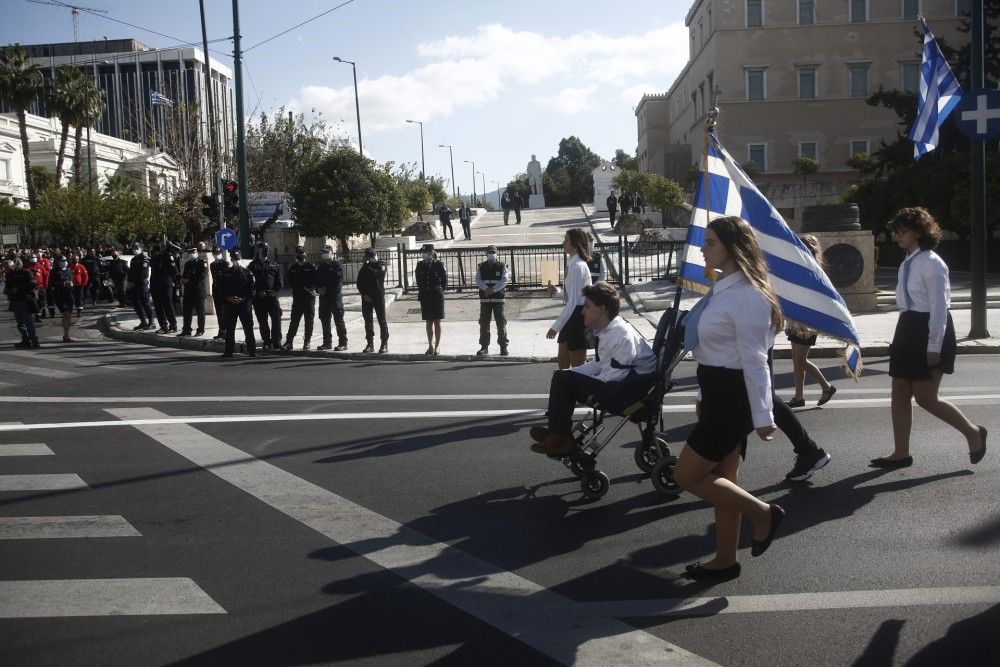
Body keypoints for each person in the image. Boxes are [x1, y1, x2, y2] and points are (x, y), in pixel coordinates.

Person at [671, 215, 785, 582]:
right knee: (724, 479)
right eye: (705, 242)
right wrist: (704, 393)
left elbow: (755, 359)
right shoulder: (724, 288)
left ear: (733, 248)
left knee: (685, 475)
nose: (703, 249)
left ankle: (763, 514)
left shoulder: (749, 296)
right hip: (717, 390)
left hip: (733, 397)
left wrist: (764, 415)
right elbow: (712, 350)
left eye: (711, 243)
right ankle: (724, 560)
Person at [872, 207, 987, 469]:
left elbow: (939, 307)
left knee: (925, 397)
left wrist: (934, 345)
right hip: (908, 327)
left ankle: (973, 432)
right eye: (897, 232)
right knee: (898, 390)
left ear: (920, 232)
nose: (898, 236)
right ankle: (900, 453)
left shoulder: (933, 263)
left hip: (929, 329)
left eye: (904, 232)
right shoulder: (908, 260)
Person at [529, 282, 655, 455]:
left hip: (625, 393)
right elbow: (599, 365)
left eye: (587, 306)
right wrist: (570, 374)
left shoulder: (620, 336)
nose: (582, 311)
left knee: (563, 381)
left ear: (602, 309)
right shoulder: (609, 330)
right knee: (562, 376)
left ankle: (559, 437)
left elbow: (615, 378)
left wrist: (570, 381)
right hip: (621, 385)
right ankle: (557, 433)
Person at [785, 235, 836, 408]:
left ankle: (826, 387)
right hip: (796, 322)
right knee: (796, 361)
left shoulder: (814, 273)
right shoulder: (798, 269)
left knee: (800, 360)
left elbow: (815, 300)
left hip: (807, 323)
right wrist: (789, 322)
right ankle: (798, 397)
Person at [546, 228, 593, 369]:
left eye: (566, 240)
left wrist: (555, 327)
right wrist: (557, 292)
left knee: (578, 369)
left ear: (575, 243)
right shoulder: (572, 263)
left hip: (577, 318)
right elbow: (571, 295)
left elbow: (573, 302)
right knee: (563, 366)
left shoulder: (578, 266)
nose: (563, 243)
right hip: (570, 317)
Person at [219, 249, 257, 358]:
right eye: (234, 259)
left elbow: (252, 290)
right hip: (230, 305)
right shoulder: (226, 273)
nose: (236, 261)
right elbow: (221, 289)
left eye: (238, 259)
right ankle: (228, 351)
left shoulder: (248, 273)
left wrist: (243, 299)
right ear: (231, 259)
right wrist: (228, 298)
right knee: (229, 329)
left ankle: (252, 351)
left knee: (248, 328)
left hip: (244, 304)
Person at [248, 241, 283, 350]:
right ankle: (267, 341)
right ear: (259, 250)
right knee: (263, 321)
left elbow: (279, 281)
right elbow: (250, 283)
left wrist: (275, 291)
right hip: (260, 298)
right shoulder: (252, 265)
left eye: (267, 249)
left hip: (272, 297)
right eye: (264, 249)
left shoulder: (274, 264)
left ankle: (277, 341)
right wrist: (258, 292)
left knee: (276, 318)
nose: (266, 251)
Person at [476, 244, 509, 356]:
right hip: (485, 299)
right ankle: (484, 347)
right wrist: (486, 288)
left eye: (493, 252)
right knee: (484, 323)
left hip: (498, 299)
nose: (491, 254)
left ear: (496, 253)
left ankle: (503, 346)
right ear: (486, 254)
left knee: (501, 323)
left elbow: (504, 280)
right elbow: (478, 280)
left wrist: (493, 290)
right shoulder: (481, 266)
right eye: (489, 253)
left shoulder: (502, 266)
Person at [415, 243, 447, 355]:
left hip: (437, 296)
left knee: (437, 322)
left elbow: (444, 281)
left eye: (424, 252)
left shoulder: (439, 264)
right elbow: (419, 281)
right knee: (428, 322)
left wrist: (439, 290)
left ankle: (437, 346)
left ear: (430, 253)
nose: (422, 254)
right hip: (425, 296)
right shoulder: (420, 265)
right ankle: (430, 346)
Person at [284, 245, 317, 351]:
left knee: (309, 320)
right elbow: (290, 282)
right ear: (296, 254)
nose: (300, 255)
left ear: (305, 254)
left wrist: (313, 290)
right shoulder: (293, 268)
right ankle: (289, 342)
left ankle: (307, 341)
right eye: (298, 253)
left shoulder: (311, 266)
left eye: (302, 253)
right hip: (297, 298)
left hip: (309, 298)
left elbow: (316, 280)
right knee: (294, 320)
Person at [315, 244, 348, 351]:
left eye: (326, 252)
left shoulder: (336, 265)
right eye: (323, 252)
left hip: (334, 297)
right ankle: (327, 343)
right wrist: (318, 289)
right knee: (324, 320)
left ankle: (343, 343)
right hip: (323, 297)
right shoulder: (321, 266)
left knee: (338, 319)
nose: (324, 254)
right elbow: (317, 280)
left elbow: (337, 281)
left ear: (331, 253)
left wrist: (326, 289)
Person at [357, 247, 388, 354]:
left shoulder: (381, 264)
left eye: (372, 256)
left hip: (378, 296)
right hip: (367, 298)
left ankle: (384, 344)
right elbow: (359, 283)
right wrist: (364, 294)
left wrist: (366, 264)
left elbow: (376, 274)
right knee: (368, 321)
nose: (371, 258)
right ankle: (370, 344)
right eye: (369, 256)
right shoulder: (364, 268)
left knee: (382, 320)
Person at [4, 258, 39, 348]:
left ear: (13, 266)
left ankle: (34, 341)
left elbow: (33, 283)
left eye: (7, 267)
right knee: (20, 323)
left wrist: (19, 288)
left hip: (25, 300)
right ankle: (25, 340)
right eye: (5, 268)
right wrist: (9, 291)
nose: (6, 269)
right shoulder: (8, 275)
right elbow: (7, 288)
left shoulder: (25, 272)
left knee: (28, 322)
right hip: (15, 301)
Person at [178, 246, 208, 337]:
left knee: (200, 312)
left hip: (198, 291)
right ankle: (186, 330)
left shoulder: (202, 262)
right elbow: (185, 275)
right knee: (187, 312)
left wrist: (189, 280)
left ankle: (200, 330)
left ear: (196, 253)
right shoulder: (188, 263)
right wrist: (182, 279)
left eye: (193, 253)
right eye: (190, 254)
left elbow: (202, 276)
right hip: (188, 291)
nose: (191, 255)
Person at [149, 243, 178, 333]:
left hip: (165, 283)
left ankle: (173, 325)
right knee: (158, 306)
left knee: (167, 305)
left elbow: (174, 271)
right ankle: (163, 326)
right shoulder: (153, 256)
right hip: (155, 284)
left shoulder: (167, 255)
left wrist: (172, 281)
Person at [48, 255, 76, 342]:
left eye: (65, 260)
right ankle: (66, 335)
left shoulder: (69, 270)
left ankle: (66, 334)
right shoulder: (54, 271)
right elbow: (51, 284)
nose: (64, 262)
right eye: (62, 260)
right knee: (65, 313)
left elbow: (73, 280)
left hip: (69, 294)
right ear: (58, 262)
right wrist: (62, 284)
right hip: (60, 295)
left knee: (69, 315)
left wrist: (71, 283)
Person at [127, 242, 155, 330]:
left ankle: (151, 322)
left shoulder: (145, 259)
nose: (135, 249)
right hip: (134, 284)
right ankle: (143, 321)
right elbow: (130, 272)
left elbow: (143, 272)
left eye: (136, 247)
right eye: (133, 248)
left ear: (141, 248)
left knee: (145, 303)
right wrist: (130, 281)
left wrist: (134, 281)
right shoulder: (133, 259)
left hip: (142, 283)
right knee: (136, 303)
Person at [209, 246, 229, 341]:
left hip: (224, 291)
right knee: (219, 312)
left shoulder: (225, 263)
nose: (216, 255)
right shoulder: (212, 264)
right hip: (216, 290)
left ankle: (226, 331)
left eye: (217, 253)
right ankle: (221, 331)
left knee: (224, 312)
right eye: (215, 253)